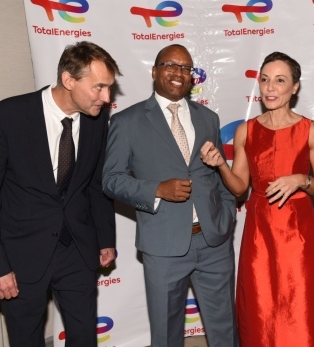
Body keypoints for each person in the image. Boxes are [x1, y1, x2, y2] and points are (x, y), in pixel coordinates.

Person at [0, 41, 121, 346]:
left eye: (109, 88)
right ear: (69, 80)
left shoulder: (97, 121)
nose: (107, 97)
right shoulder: (4, 118)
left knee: (84, 337)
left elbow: (94, 185)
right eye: (99, 87)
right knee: (27, 339)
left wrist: (105, 238)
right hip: (21, 255)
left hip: (78, 250)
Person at [200, 52, 314, 346]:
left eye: (280, 81)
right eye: (265, 80)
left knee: (301, 302)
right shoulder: (246, 130)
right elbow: (239, 187)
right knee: (261, 302)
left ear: (295, 87)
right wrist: (220, 166)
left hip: (299, 230)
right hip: (260, 230)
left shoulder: (311, 131)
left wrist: (300, 180)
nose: (270, 88)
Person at [102, 44, 238, 347]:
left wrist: (227, 213)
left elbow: (218, 172)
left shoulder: (208, 118)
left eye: (186, 68)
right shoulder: (126, 122)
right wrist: (157, 190)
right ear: (154, 71)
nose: (179, 73)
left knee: (225, 329)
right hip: (163, 247)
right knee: (165, 334)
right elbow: (111, 180)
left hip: (214, 241)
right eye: (170, 65)